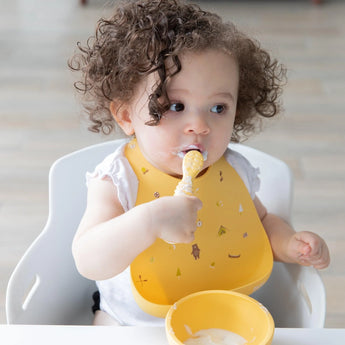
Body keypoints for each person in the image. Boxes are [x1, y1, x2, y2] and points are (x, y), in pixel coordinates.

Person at [69, 0, 330, 326]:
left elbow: (260, 223)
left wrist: (290, 244)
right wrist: (149, 220)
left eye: (218, 108)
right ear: (125, 116)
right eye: (176, 106)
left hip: (220, 313)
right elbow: (88, 259)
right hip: (130, 322)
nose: (200, 125)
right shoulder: (118, 178)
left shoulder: (233, 170)